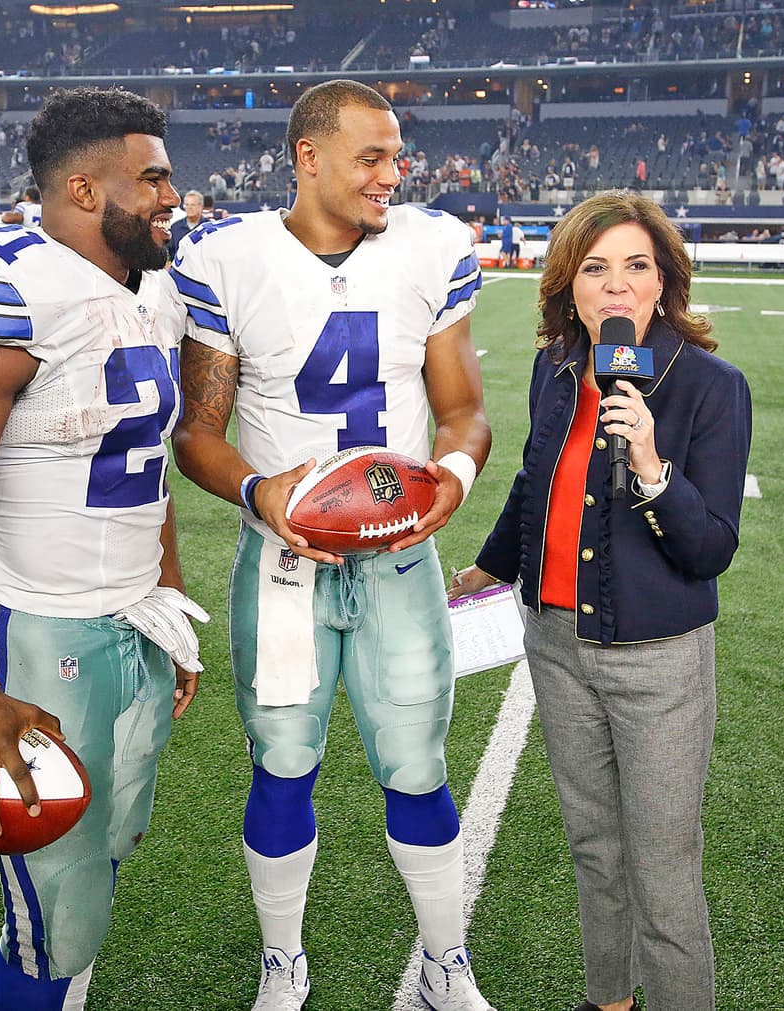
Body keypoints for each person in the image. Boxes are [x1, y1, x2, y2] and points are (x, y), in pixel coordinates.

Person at [171, 79, 495, 1011]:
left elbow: (465, 411)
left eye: (399, 156)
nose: (394, 175)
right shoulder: (230, 257)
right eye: (372, 156)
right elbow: (199, 431)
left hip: (399, 554)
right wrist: (261, 490)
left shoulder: (432, 248)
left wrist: (451, 485)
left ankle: (444, 960)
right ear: (308, 156)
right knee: (281, 760)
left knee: (416, 762)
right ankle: (284, 957)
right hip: (282, 566)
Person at [0, 86, 201, 1011]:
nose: (170, 197)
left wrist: (167, 593)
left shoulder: (153, 288)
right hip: (38, 625)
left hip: (130, 616)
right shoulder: (13, 285)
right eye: (150, 179)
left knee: (102, 855)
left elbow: (143, 466)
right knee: (52, 912)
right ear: (80, 187)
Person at [450, 191, 752, 1011]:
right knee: (593, 845)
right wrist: (488, 567)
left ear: (663, 283)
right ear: (568, 285)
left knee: (662, 867)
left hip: (657, 662)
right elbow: (533, 479)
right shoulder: (559, 369)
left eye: (636, 267)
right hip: (555, 643)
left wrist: (652, 468)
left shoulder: (711, 387)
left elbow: (710, 547)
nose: (616, 286)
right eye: (595, 268)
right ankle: (609, 999)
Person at [167, 188, 204, 260]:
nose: (189, 208)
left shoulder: (208, 227)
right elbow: (169, 251)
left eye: (193, 205)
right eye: (187, 205)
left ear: (201, 206)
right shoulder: (175, 227)